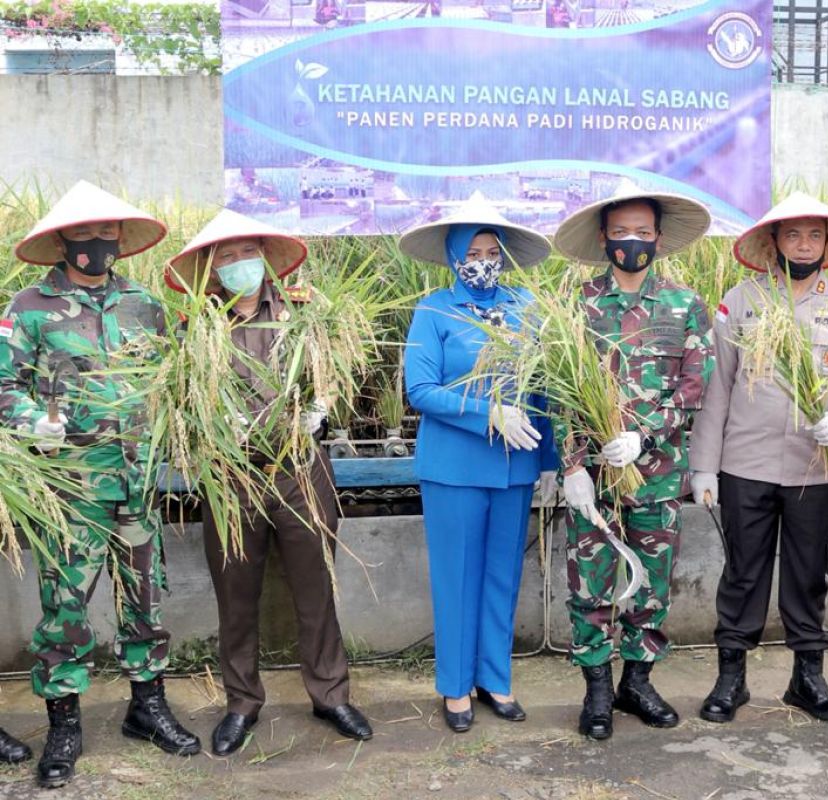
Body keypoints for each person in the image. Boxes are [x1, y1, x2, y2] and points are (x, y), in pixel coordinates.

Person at [0, 181, 200, 788]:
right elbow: (2, 385)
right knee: (66, 611)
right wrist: (38, 422)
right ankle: (64, 724)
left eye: (106, 234)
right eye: (84, 235)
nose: (96, 244)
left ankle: (149, 707)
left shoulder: (145, 304)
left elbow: (173, 381)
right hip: (71, 489)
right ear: (62, 241)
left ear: (120, 239)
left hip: (136, 482)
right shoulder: (28, 308)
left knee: (145, 598)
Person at [163, 209, 373, 755]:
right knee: (234, 592)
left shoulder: (305, 313)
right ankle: (240, 702)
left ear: (264, 259)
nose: (239, 266)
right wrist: (208, 419)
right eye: (226, 258)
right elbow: (177, 402)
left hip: (300, 470)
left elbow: (337, 377)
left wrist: (322, 408)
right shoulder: (196, 327)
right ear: (211, 270)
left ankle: (330, 694)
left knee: (316, 586)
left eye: (246, 254)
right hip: (231, 476)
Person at [689, 192, 828, 724]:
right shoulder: (741, 301)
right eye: (792, 234)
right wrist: (704, 466)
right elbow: (718, 388)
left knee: (808, 571)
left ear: (826, 243)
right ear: (774, 241)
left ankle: (808, 678)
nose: (804, 244)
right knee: (743, 573)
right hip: (744, 465)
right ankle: (731, 679)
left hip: (815, 468)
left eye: (814, 235)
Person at [553, 183, 715, 740]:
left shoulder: (684, 305)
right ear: (604, 238)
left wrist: (646, 437)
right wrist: (572, 467)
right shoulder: (576, 306)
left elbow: (694, 386)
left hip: (657, 475)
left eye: (642, 233)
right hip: (593, 477)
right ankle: (597, 689)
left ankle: (637, 682)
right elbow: (559, 392)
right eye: (620, 233)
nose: (631, 242)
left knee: (651, 584)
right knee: (592, 581)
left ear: (658, 239)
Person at [402, 196, 558, 733]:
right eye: (473, 251)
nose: (483, 260)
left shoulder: (527, 308)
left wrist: (553, 462)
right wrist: (485, 411)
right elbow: (420, 390)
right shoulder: (435, 311)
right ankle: (454, 686)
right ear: (452, 256)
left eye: (493, 251)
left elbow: (548, 388)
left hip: (515, 467)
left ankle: (495, 677)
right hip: (454, 466)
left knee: (501, 576)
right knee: (456, 578)